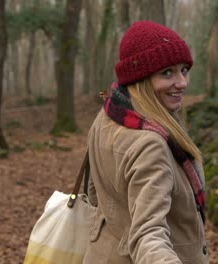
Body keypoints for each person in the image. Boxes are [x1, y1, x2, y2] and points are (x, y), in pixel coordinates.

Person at [84, 20, 209, 264]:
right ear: (139, 78)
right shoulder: (151, 145)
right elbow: (147, 235)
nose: (182, 82)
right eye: (167, 72)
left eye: (184, 69)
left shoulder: (108, 115)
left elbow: (94, 193)